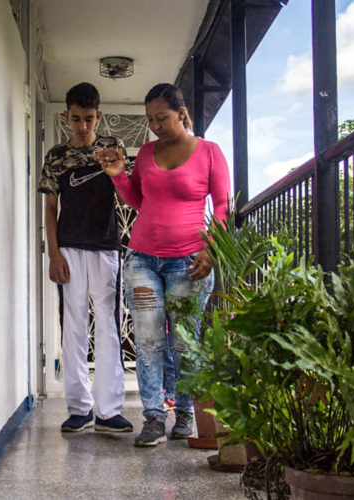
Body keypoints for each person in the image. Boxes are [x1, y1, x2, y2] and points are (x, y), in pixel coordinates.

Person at [97, 83, 230, 447]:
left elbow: (222, 206)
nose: (156, 125)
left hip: (189, 261)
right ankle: (154, 416)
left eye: (163, 118)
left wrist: (211, 250)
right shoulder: (146, 153)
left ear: (181, 113)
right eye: (151, 119)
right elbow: (137, 200)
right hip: (142, 258)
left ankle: (185, 413)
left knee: (185, 341)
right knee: (150, 339)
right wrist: (118, 175)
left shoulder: (210, 152)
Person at [38, 82, 133, 434]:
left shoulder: (112, 149)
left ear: (99, 116)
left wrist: (117, 169)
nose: (82, 126)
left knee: (109, 325)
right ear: (66, 116)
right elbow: (49, 207)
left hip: (107, 246)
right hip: (69, 248)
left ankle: (109, 410)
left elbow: (127, 190)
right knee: (73, 325)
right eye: (76, 118)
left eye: (89, 119)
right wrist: (53, 252)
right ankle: (79, 408)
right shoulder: (56, 157)